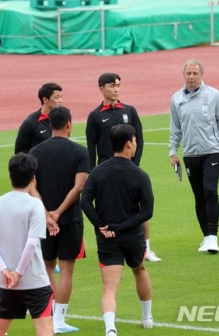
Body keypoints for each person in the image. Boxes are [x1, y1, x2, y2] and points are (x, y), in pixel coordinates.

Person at [81, 124, 154, 336]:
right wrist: (121, 227)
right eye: (135, 141)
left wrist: (101, 226)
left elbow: (85, 202)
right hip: (133, 237)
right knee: (139, 270)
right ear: (129, 143)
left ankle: (110, 328)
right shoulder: (140, 174)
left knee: (110, 287)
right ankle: (147, 318)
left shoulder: (97, 172)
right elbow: (147, 211)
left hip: (107, 239)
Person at [86, 72, 160, 262]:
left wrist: (134, 165)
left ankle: (146, 248)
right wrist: (93, 171)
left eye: (118, 85)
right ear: (101, 89)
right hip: (105, 172)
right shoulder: (95, 116)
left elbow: (140, 139)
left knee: (138, 207)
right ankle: (108, 241)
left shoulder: (129, 111)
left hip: (129, 169)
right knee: (107, 207)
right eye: (112, 85)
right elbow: (91, 146)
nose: (116, 89)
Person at [27, 106, 88, 333]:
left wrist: (46, 214)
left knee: (47, 268)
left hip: (42, 221)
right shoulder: (79, 151)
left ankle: (50, 317)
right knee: (67, 270)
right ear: (69, 124)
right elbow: (79, 186)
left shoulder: (35, 152)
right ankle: (60, 321)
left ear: (49, 125)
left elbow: (31, 187)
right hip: (70, 219)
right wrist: (59, 213)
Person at [0, 153, 54, 336]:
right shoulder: (35, 205)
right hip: (34, 279)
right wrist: (18, 272)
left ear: (10, 175)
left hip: (7, 282)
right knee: (45, 328)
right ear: (33, 178)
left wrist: (5, 270)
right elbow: (32, 243)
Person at [169, 59, 219, 253]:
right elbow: (175, 129)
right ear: (184, 75)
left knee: (210, 191)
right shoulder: (177, 99)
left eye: (195, 73)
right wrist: (173, 151)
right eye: (188, 73)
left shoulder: (214, 95)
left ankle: (213, 237)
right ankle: (206, 237)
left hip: (211, 151)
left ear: (201, 75)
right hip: (190, 154)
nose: (192, 77)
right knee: (198, 196)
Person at [14, 83, 63, 154]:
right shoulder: (31, 122)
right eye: (57, 97)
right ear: (45, 100)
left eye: (61, 97)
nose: (61, 101)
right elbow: (19, 152)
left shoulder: (61, 120)